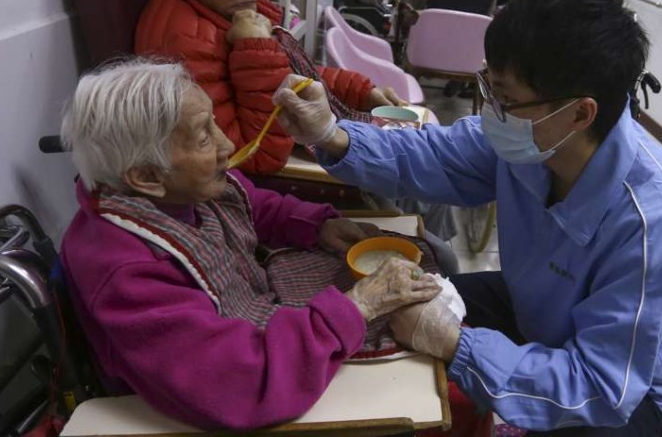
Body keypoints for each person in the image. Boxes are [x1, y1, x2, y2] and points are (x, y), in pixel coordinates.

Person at [273, 0, 662, 435]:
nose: (490, 109)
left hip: (640, 390)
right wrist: (331, 134)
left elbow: (602, 386)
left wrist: (456, 345)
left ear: (579, 112)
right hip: (542, 310)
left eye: (505, 98)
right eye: (489, 86)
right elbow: (433, 154)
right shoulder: (539, 139)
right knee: (405, 302)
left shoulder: (656, 223)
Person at [59, 58, 441, 430]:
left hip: (259, 317)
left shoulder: (180, 190)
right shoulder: (129, 273)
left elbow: (252, 205)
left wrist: (318, 225)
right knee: (437, 379)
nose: (227, 144)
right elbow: (235, 383)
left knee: (429, 278)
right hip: (233, 384)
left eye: (214, 122)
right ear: (146, 176)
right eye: (204, 136)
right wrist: (358, 306)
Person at [135, 0, 404, 176]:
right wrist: (256, 48)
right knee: (388, 171)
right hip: (254, 180)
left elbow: (294, 75)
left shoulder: (219, 8)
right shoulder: (182, 44)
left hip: (274, 151)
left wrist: (361, 92)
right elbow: (256, 158)